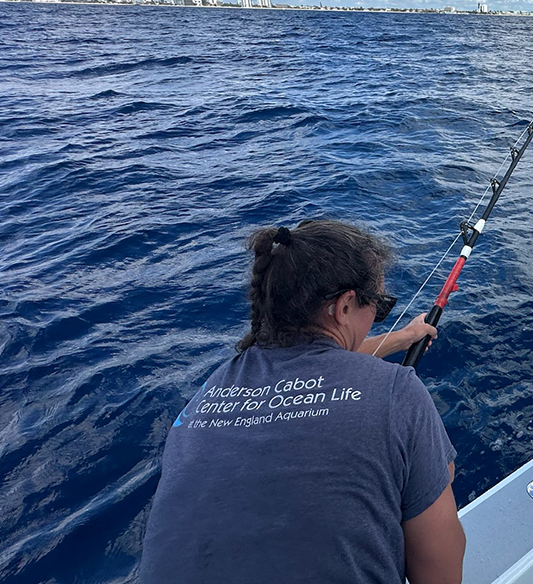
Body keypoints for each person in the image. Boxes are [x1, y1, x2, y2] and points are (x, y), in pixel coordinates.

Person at [139, 220, 465, 584]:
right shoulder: (398, 391)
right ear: (344, 306)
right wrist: (430, 471)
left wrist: (403, 337)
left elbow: (317, 364)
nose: (378, 317)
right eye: (380, 306)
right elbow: (441, 575)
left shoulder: (211, 391)